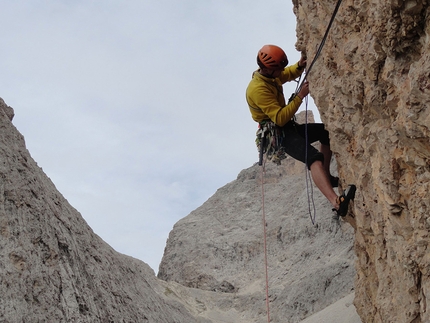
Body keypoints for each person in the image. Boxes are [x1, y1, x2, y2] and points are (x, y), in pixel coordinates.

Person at [246, 44, 355, 217]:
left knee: (326, 133)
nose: (281, 71)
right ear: (268, 69)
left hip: (289, 127)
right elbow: (280, 118)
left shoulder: (269, 76)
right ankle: (336, 202)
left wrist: (299, 66)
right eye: (278, 69)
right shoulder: (258, 89)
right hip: (280, 134)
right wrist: (300, 97)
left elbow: (284, 74)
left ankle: (326, 176)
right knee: (313, 158)